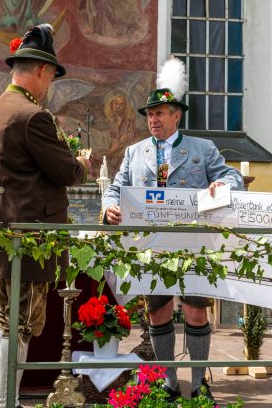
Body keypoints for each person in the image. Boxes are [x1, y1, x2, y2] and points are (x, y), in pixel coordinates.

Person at [102, 58, 243, 402]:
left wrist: (219, 189)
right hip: (150, 244)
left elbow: (233, 178)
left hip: (194, 242)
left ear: (176, 115)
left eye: (160, 113)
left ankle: (198, 383)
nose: (153, 120)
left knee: (196, 310)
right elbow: (116, 187)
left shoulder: (202, 148)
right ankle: (168, 382)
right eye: (150, 114)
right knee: (158, 310)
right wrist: (108, 207)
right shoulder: (134, 153)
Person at [0, 24, 90, 408]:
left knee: (5, 322)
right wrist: (82, 163)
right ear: (42, 71)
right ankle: (4, 402)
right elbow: (65, 173)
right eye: (52, 77)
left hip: (2, 230)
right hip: (28, 236)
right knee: (21, 324)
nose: (51, 85)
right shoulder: (32, 116)